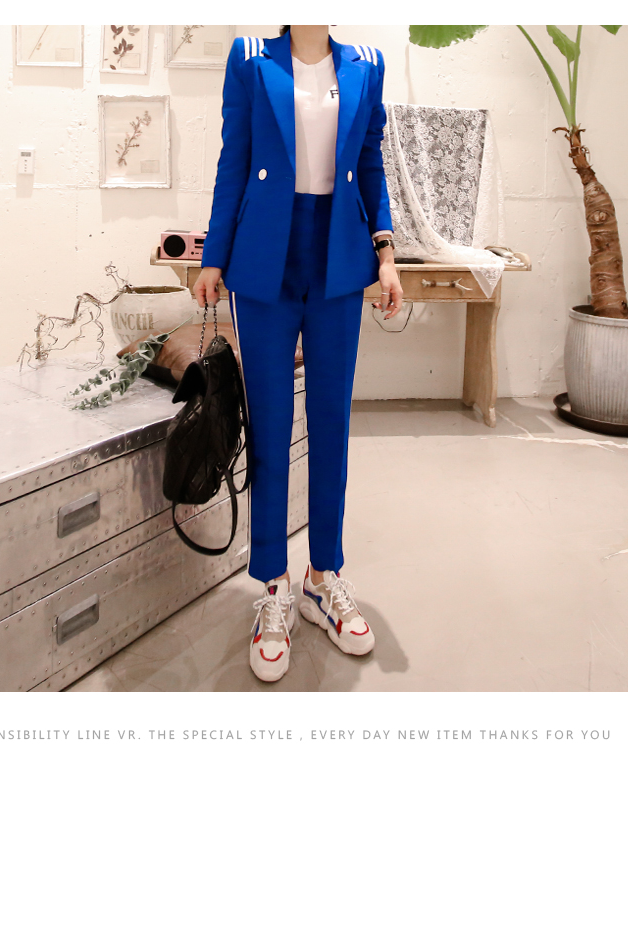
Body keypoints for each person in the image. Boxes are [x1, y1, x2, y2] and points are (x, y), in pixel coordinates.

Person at [194, 25, 404, 683]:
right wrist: (213, 256)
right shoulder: (249, 57)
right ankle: (272, 587)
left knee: (331, 424)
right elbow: (234, 158)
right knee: (270, 427)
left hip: (339, 256)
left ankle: (323, 576)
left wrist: (387, 255)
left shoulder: (368, 64)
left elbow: (370, 164)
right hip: (264, 259)